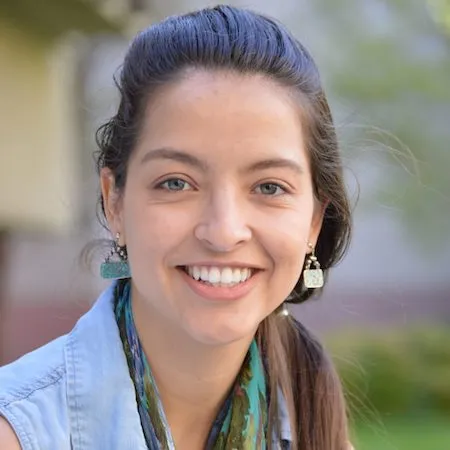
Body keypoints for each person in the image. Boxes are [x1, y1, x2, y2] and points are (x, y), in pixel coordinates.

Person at [0, 5, 354, 449]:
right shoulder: (19, 433)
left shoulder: (316, 434)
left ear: (314, 222)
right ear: (115, 202)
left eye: (268, 186)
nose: (224, 232)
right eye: (176, 182)